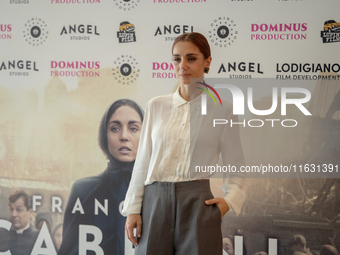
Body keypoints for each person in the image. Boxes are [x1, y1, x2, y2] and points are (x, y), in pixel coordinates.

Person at [123, 32, 246, 255]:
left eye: (191, 58)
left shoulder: (224, 110)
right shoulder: (156, 106)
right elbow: (142, 161)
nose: (183, 66)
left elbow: (236, 164)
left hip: (198, 204)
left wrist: (229, 200)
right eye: (177, 59)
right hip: (154, 202)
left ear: (207, 62)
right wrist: (133, 209)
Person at [58, 99, 144, 255]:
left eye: (133, 128)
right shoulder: (82, 190)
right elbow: (68, 250)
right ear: (104, 135)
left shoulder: (159, 190)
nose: (124, 136)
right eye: (115, 128)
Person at [1, 190, 39, 255]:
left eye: (19, 210)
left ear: (29, 212)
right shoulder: (3, 236)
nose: (13, 214)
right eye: (11, 209)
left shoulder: (38, 237)